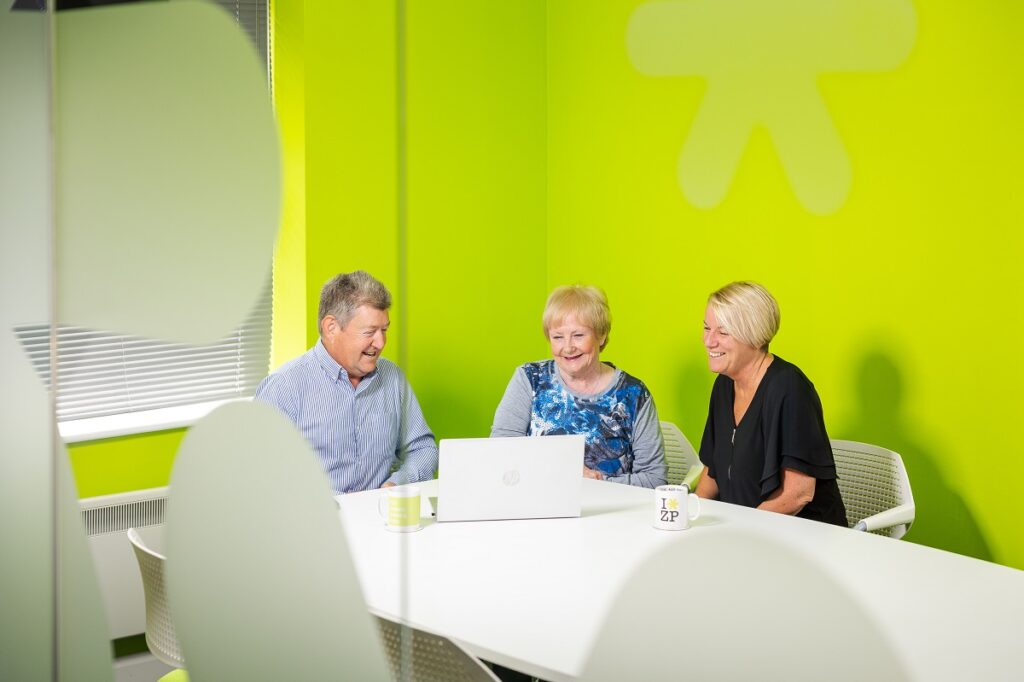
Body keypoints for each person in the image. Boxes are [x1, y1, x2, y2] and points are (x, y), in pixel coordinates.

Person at [255, 270, 437, 493]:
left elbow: (422, 449)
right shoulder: (283, 388)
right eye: (369, 332)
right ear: (331, 327)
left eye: (384, 330)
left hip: (378, 521)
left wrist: (396, 484)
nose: (380, 342)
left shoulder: (392, 378)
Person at [695, 281, 847, 525]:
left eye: (723, 332)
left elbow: (798, 494)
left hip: (799, 538)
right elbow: (714, 470)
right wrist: (690, 511)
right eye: (706, 328)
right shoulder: (724, 384)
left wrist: (740, 528)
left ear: (754, 336)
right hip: (746, 533)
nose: (709, 341)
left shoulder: (790, 389)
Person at [490, 285, 667, 488]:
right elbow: (500, 454)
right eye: (557, 337)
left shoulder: (634, 394)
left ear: (601, 335)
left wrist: (597, 482)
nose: (568, 347)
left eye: (578, 335)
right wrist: (566, 474)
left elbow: (655, 479)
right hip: (538, 506)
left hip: (612, 511)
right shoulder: (529, 379)